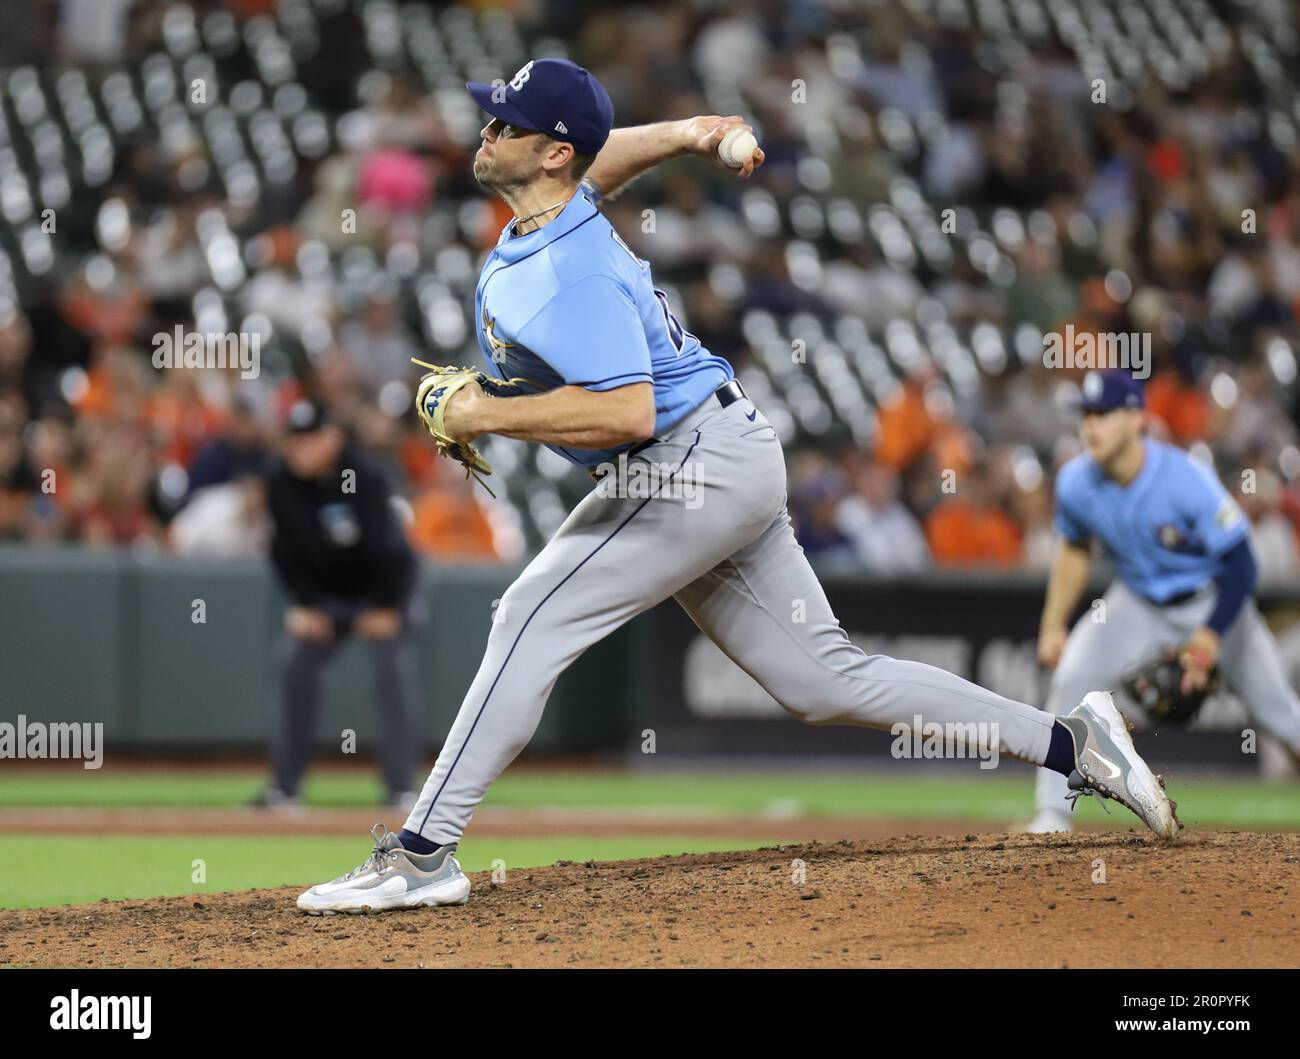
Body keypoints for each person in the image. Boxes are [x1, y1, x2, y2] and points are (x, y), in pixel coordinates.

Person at [297, 60, 1178, 915]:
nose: (484, 132)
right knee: (827, 681)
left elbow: (628, 411)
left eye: (506, 124)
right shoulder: (561, 200)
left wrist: (484, 411)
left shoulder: (573, 270)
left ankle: (422, 853)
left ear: (550, 154)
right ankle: (1072, 742)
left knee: (529, 612)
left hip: (686, 462)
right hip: (726, 452)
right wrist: (689, 132)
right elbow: (603, 155)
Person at [1022, 370, 1300, 833]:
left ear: (1135, 418)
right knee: (1072, 677)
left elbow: (1242, 564)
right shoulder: (1075, 482)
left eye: (1103, 414)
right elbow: (1074, 550)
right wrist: (1053, 623)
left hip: (1212, 600)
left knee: (1281, 715)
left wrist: (1210, 636)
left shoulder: (1185, 478)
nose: (1090, 427)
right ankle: (1052, 814)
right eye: (1086, 415)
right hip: (1136, 601)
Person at [256, 398, 421, 811]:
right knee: (294, 664)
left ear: (332, 438)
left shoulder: (365, 475)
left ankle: (402, 789)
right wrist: (306, 604)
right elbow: (282, 551)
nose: (299, 449)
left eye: (309, 440)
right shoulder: (280, 479)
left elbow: (395, 551)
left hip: (379, 593)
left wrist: (386, 607)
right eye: (294, 440)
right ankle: (284, 790)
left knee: (393, 670)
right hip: (324, 599)